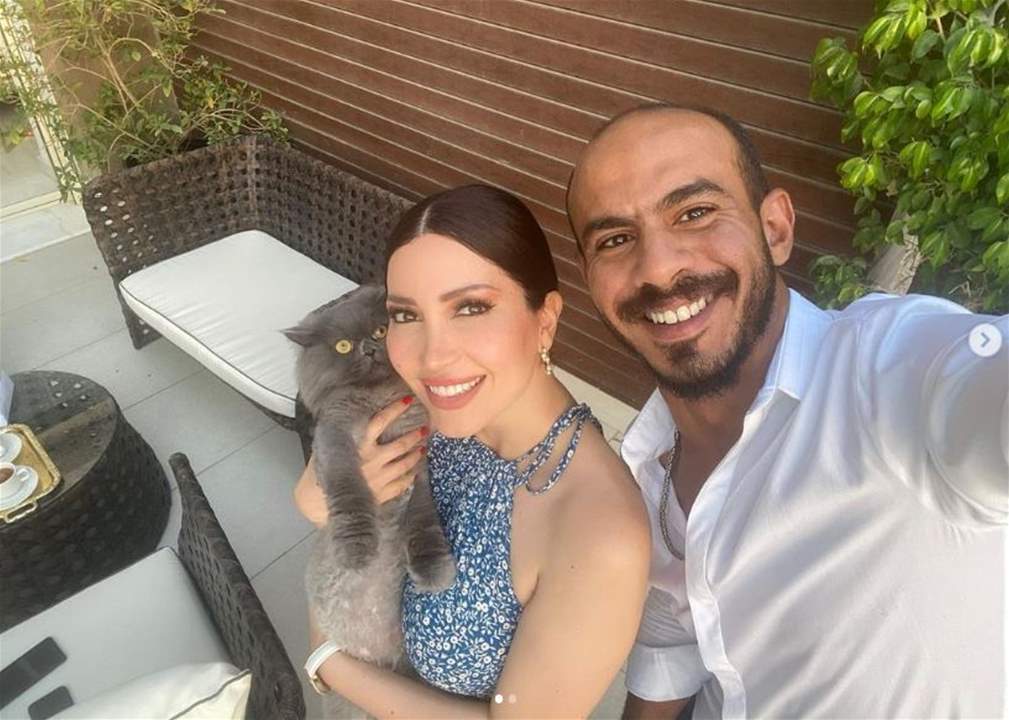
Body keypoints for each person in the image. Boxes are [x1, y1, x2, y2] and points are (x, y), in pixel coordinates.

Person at [565, 102, 1008, 719]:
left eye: (695, 212)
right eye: (615, 240)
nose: (659, 268)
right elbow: (672, 639)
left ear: (775, 229)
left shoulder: (890, 372)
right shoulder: (648, 461)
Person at [294, 184, 651, 718]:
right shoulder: (416, 400)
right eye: (406, 315)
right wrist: (317, 498)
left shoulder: (601, 534)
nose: (432, 357)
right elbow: (320, 497)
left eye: (471, 307)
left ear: (545, 320)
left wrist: (328, 661)